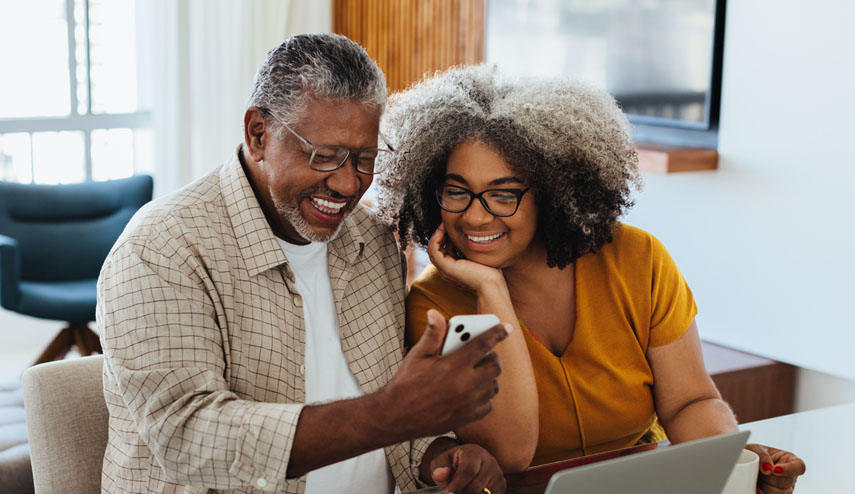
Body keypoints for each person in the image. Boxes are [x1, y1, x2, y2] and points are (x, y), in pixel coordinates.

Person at [97, 34, 511, 494]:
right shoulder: (162, 249)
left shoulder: (372, 241)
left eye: (364, 159)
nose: (347, 183)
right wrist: (388, 415)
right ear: (258, 134)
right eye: (325, 156)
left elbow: (394, 415)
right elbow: (187, 439)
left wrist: (441, 455)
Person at [376, 64, 806, 494]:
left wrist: (730, 463)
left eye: (504, 194)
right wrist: (490, 290)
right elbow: (508, 453)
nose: (473, 215)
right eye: (456, 191)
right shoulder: (435, 307)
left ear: (551, 191)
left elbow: (689, 402)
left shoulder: (638, 259)